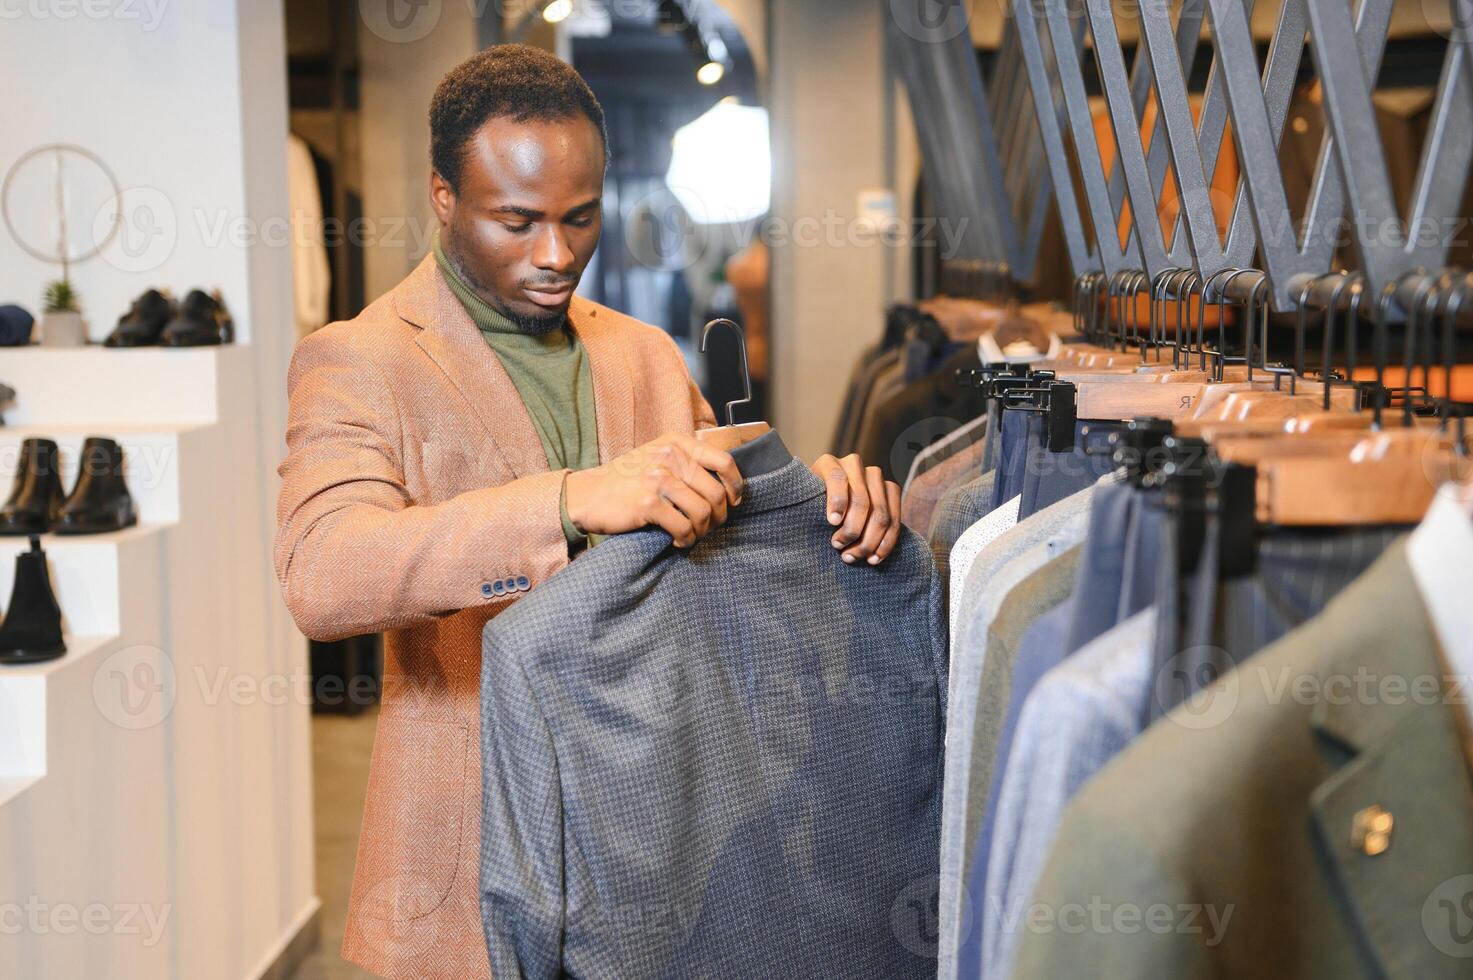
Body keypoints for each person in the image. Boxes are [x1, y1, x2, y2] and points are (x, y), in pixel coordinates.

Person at [274, 44, 902, 979]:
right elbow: (323, 572)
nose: (556, 254)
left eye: (579, 217)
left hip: (659, 845)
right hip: (478, 847)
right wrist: (568, 503)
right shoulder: (362, 359)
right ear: (443, 196)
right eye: (515, 221)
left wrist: (839, 512)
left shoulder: (644, 355)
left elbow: (723, 556)